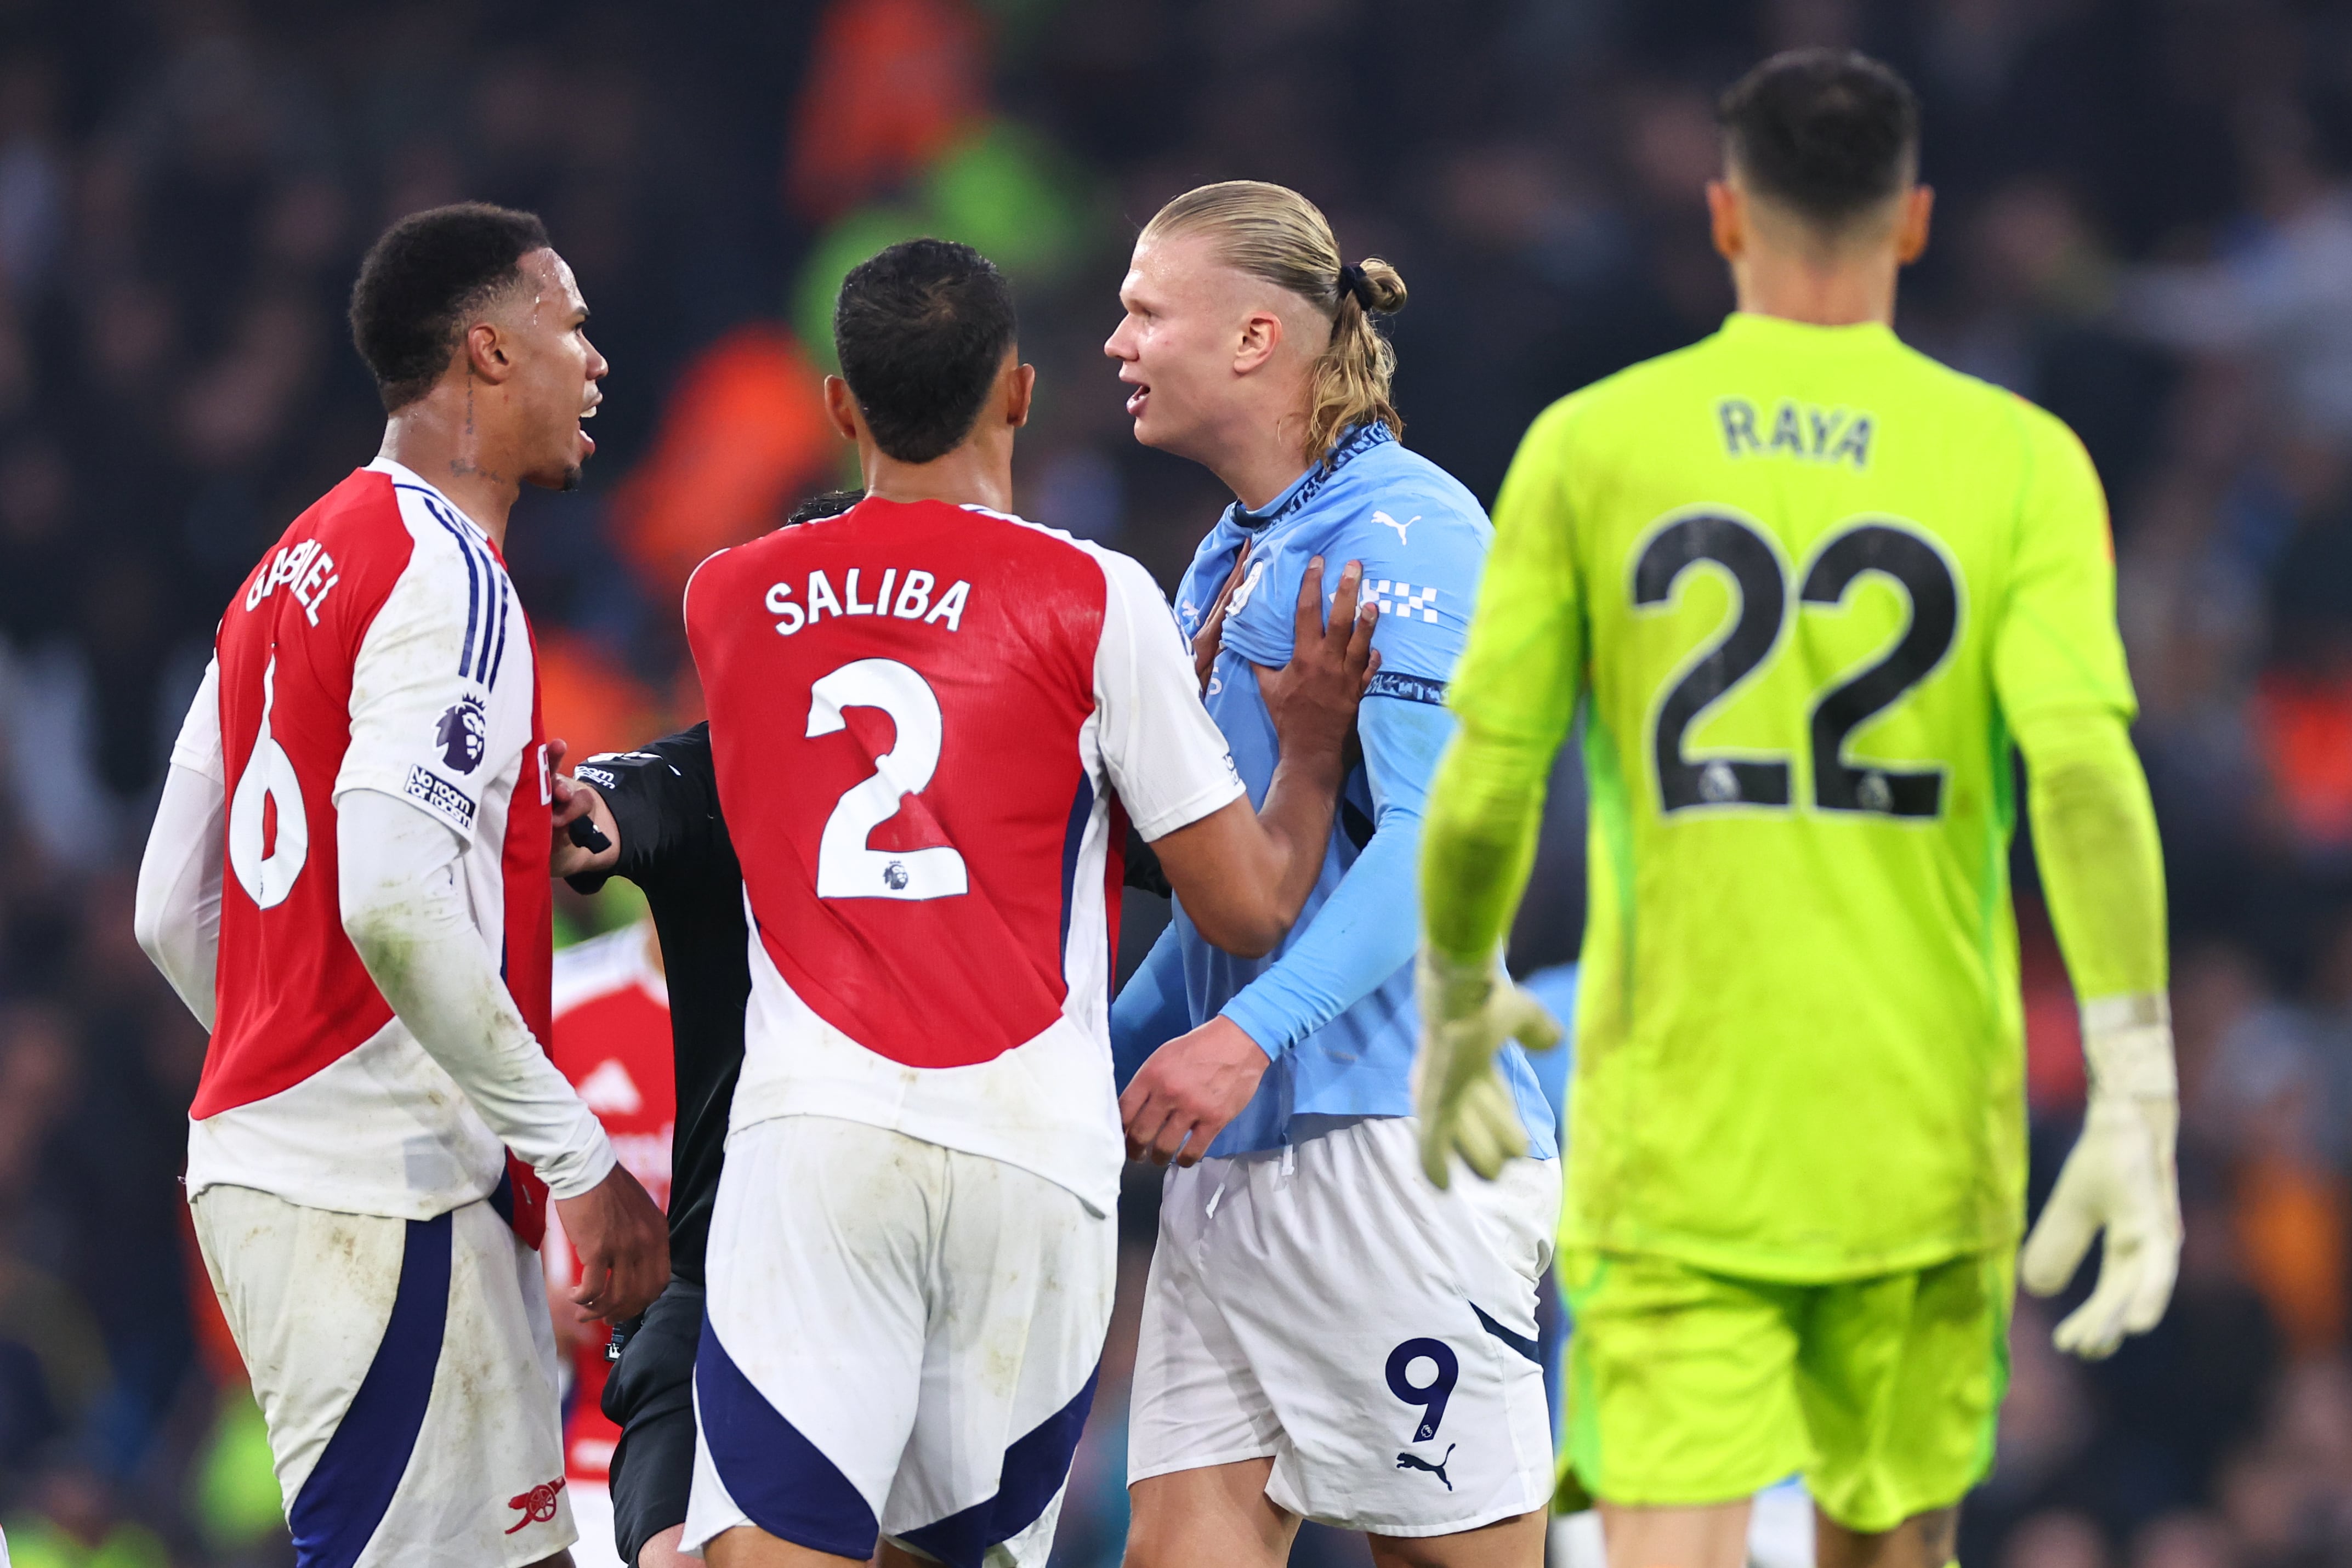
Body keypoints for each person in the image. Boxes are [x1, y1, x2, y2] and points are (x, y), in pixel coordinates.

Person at [1413, 49, 2179, 1568]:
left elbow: (1491, 768)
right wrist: (2135, 1080)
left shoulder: (1596, 443)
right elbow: (2086, 777)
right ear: (1912, 223)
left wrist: (1454, 995)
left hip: (1684, 1118)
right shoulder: (2021, 461)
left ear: (1721, 215)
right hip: (1921, 1126)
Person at [677, 237, 1377, 1568]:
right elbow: (1243, 908)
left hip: (815, 1137)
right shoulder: (1096, 597)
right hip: (1026, 1150)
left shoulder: (729, 597)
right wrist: (1308, 753)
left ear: (838, 405)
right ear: (1018, 392)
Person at [132, 202, 669, 1568]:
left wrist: (289, 1053)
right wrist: (581, 1161)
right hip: (379, 1190)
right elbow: (387, 895)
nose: (595, 358)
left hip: (322, 1171)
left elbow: (165, 905)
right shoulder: (448, 573)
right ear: (488, 353)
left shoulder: (284, 568)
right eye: (570, 324)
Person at [545, 489, 1186, 1568]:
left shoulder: (753, 770)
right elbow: (602, 816)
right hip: (791, 1285)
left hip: (878, 1267)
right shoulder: (728, 770)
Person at [1102, 181, 1559, 1568]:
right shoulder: (1227, 556)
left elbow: (1436, 845)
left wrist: (1242, 1035)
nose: (1114, 342)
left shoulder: (1408, 534)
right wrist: (1096, 1060)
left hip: (1390, 1146)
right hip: (1235, 1162)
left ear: (1252, 337)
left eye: (1141, 311)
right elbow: (1238, 895)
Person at [543, 918, 678, 1568]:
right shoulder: (559, 1000)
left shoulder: (792, 1008)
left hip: (750, 1434)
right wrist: (520, 1296)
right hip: (582, 1439)